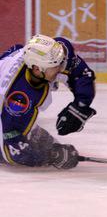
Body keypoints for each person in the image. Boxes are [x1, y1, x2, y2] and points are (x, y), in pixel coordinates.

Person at [0, 34, 96, 169]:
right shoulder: (18, 100)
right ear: (37, 69)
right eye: (56, 66)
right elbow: (12, 150)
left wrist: (80, 105)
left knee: (41, 139)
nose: (61, 69)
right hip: (5, 114)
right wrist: (51, 156)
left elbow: (79, 73)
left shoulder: (43, 55)